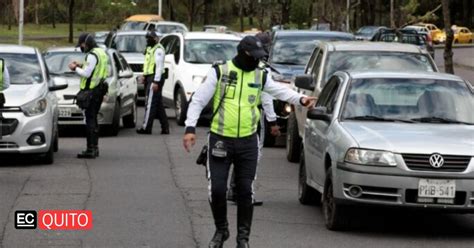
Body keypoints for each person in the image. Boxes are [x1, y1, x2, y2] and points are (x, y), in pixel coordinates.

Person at [183, 36, 316, 248]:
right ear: (243, 53)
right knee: (217, 190)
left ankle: (243, 239)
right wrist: (190, 128)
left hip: (248, 142)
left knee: (246, 191)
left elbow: (279, 91)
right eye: (254, 57)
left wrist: (300, 99)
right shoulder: (221, 72)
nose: (257, 61)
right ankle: (221, 230)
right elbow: (198, 100)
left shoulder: (261, 75)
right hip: (220, 139)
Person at [227, 32, 278, 206]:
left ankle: (234, 190)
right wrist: (272, 121)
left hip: (238, 116)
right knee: (252, 156)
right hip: (255, 116)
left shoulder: (250, 66)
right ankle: (246, 193)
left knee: (239, 156)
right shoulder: (261, 70)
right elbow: (266, 97)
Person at [69, 33, 109, 159]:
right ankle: (95, 148)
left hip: (91, 91)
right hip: (99, 89)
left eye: (82, 45)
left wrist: (75, 68)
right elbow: (96, 69)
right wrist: (81, 65)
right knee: (94, 119)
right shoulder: (101, 52)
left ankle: (90, 149)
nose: (81, 47)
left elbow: (87, 74)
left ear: (87, 44)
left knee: (90, 120)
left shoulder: (92, 55)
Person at [137, 31, 169, 135]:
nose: (147, 40)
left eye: (150, 38)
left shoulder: (158, 49)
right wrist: (144, 75)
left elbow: (159, 67)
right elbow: (147, 64)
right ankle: (165, 127)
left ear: (155, 38)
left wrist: (155, 81)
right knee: (158, 103)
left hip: (155, 77)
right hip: (150, 77)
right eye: (147, 38)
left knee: (150, 103)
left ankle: (146, 128)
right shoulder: (150, 48)